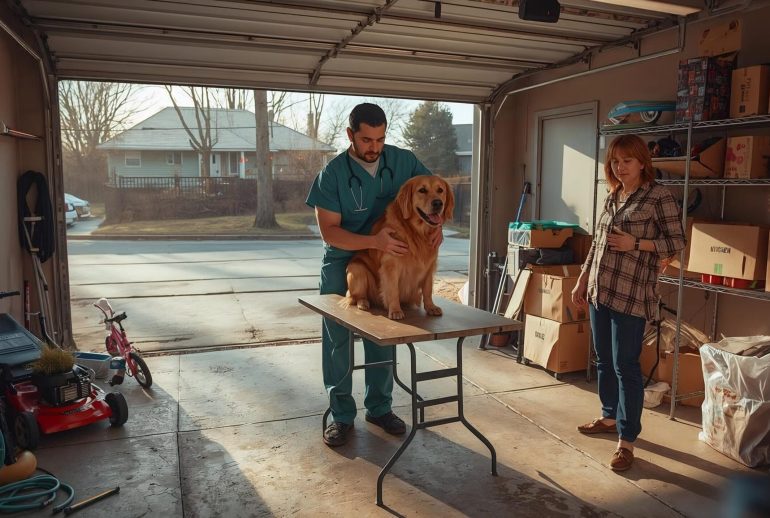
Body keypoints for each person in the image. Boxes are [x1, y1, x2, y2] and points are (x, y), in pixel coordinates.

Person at [306, 103, 440, 447]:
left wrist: (436, 226)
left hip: (390, 261)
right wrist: (372, 240)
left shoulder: (404, 161)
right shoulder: (333, 173)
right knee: (337, 341)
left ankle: (379, 407)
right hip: (343, 259)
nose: (374, 148)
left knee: (383, 336)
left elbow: (434, 193)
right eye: (367, 140)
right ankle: (341, 416)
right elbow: (329, 232)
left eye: (380, 139)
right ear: (351, 135)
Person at [571, 134, 685, 471]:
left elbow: (677, 242)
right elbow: (597, 245)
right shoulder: (613, 195)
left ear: (642, 163)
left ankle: (627, 441)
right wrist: (581, 279)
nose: (620, 167)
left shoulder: (658, 196)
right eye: (615, 161)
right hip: (599, 291)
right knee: (604, 361)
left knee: (626, 366)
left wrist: (637, 243)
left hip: (632, 294)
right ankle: (608, 416)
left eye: (627, 161)